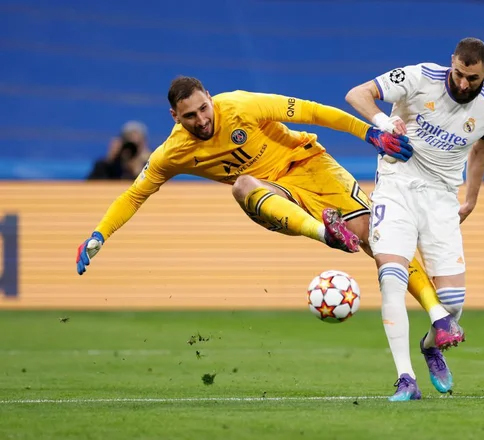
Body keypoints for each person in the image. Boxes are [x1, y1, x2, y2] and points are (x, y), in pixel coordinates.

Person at [75, 77, 453, 343]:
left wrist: (370, 134)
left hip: (310, 165)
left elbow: (312, 112)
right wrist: (99, 234)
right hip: (272, 196)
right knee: (242, 184)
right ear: (175, 117)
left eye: (204, 108)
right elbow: (134, 195)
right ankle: (326, 232)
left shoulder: (241, 105)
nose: (202, 120)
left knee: (379, 238)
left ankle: (438, 319)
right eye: (190, 116)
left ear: (210, 96)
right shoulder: (172, 153)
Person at [346, 37, 484, 401]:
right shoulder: (419, 77)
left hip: (441, 198)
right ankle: (406, 379)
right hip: (397, 183)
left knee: (452, 303)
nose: (464, 84)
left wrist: (471, 199)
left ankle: (429, 346)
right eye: (460, 74)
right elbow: (357, 94)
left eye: (474, 78)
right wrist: (384, 121)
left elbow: (481, 152)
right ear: (451, 63)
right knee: (391, 277)